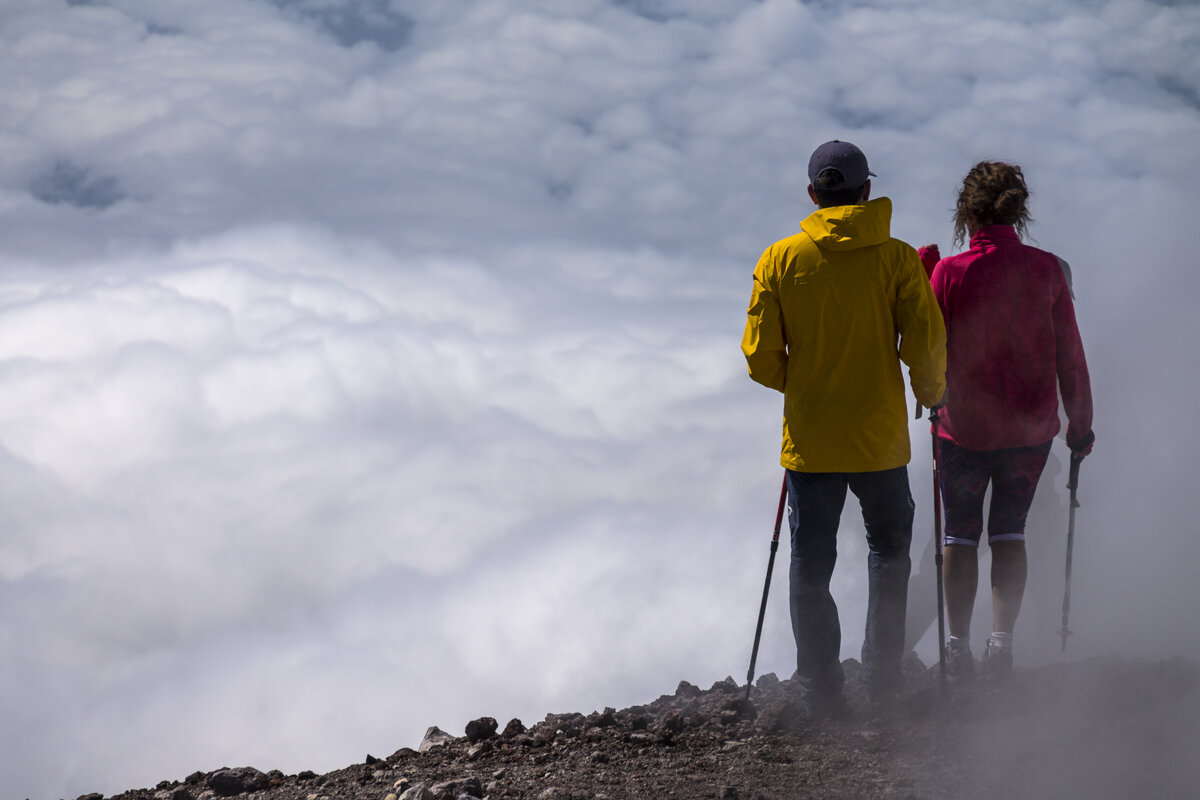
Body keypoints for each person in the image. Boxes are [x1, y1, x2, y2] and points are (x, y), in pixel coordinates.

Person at [742, 140, 947, 714]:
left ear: (813, 194)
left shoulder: (779, 259)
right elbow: (926, 344)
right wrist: (932, 395)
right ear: (866, 192)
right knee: (889, 553)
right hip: (880, 437)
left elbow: (760, 358)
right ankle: (882, 682)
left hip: (811, 441)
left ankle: (821, 694)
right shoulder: (898, 259)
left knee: (810, 562)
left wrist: (804, 387)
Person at [924, 161, 1094, 682]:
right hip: (1030, 427)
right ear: (1018, 211)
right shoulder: (1046, 271)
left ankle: (956, 650)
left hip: (962, 427)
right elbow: (1071, 354)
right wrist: (1079, 427)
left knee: (958, 536)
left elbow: (929, 350)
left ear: (966, 212)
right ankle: (1002, 645)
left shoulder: (949, 273)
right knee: (1009, 532)